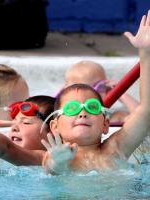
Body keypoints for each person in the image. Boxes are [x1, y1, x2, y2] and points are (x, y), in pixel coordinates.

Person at [41, 10, 150, 174]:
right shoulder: (56, 156)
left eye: (92, 107)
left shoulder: (116, 149)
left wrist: (146, 53)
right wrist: (57, 162)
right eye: (72, 108)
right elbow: (51, 169)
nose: (82, 112)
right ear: (55, 126)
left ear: (106, 124)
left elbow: (145, 110)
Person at [64, 60, 139, 124]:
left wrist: (119, 93)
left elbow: (142, 117)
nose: (96, 94)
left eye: (101, 86)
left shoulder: (113, 117)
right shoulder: (65, 115)